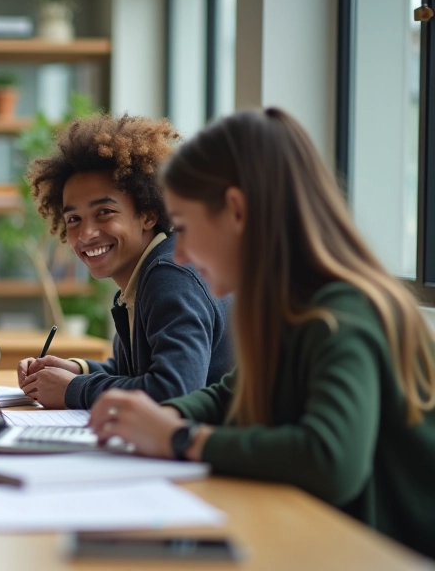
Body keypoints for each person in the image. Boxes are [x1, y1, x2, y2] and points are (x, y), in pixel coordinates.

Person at [87, 108, 435, 557]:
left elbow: (330, 460)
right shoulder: (287, 309)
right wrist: (164, 416)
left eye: (187, 229)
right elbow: (229, 395)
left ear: (236, 211)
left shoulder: (345, 312)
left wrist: (179, 438)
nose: (182, 255)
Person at [17, 114, 232, 409]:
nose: (86, 233)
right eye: (74, 219)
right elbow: (132, 373)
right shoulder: (142, 278)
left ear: (148, 214)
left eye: (104, 212)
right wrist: (77, 370)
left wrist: (73, 389)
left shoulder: (170, 275)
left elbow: (176, 389)